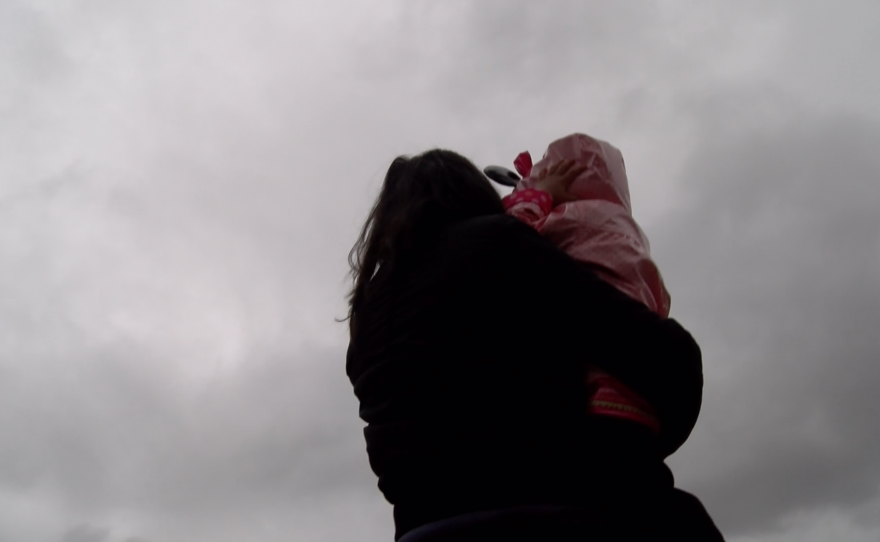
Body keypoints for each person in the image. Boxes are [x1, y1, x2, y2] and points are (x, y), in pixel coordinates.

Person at [345, 149, 724, 541]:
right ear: (475, 196)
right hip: (543, 512)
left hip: (420, 527)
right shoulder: (497, 245)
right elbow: (655, 350)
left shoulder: (367, 315)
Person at [502, 133, 670, 433]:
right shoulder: (627, 231)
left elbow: (507, 239)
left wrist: (538, 196)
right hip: (638, 386)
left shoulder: (567, 218)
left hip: (586, 383)